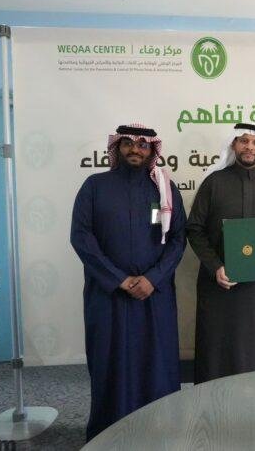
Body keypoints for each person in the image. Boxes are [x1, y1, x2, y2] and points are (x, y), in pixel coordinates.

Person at [70, 124, 187, 441]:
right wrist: (119, 279)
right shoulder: (94, 186)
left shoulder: (165, 189)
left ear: (152, 150)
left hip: (155, 296)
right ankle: (108, 434)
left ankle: (159, 431)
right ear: (117, 147)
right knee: (110, 363)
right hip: (108, 296)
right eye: (128, 144)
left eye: (142, 145)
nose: (135, 149)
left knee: (156, 364)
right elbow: (81, 238)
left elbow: (178, 239)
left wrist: (153, 278)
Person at [186, 123, 255, 384]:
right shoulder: (213, 182)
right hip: (221, 285)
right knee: (218, 352)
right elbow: (194, 229)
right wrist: (215, 266)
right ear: (233, 144)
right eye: (243, 141)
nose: (249, 147)